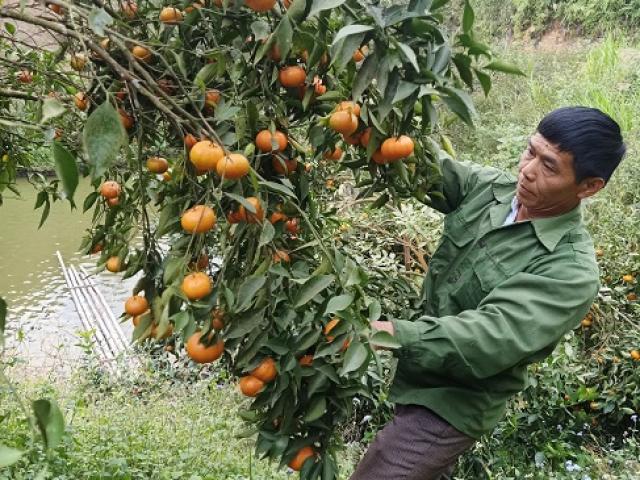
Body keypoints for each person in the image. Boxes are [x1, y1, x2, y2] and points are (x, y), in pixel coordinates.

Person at [350, 106, 626, 480]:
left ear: (588, 186)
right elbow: (423, 167)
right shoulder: (491, 190)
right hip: (420, 373)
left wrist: (387, 333)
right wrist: (365, 118)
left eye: (548, 166)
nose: (527, 170)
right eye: (530, 151)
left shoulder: (570, 271)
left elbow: (485, 338)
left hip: (453, 402)